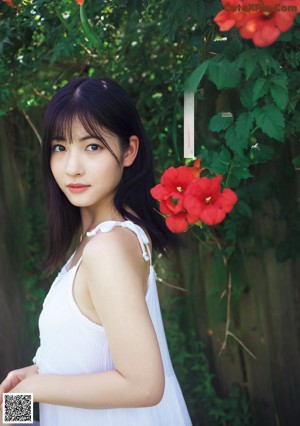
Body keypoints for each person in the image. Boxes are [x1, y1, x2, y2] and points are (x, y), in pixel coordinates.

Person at [0, 77, 193, 426]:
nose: (72, 166)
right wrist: (27, 384)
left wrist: (33, 389)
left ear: (129, 151)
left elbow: (144, 385)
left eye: (92, 147)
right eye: (60, 147)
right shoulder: (97, 240)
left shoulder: (107, 247)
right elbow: (90, 357)